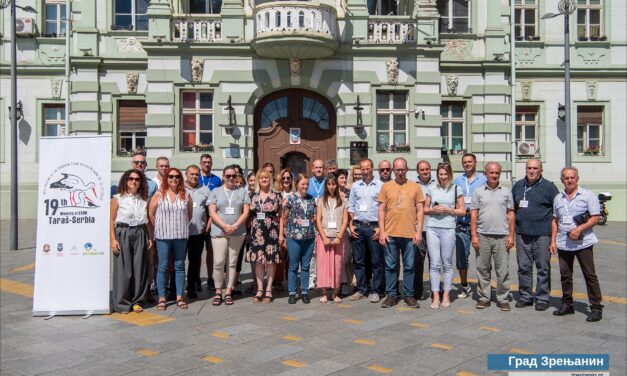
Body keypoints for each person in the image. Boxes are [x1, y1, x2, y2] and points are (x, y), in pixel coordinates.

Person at [550, 167, 603, 322]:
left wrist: (580, 228)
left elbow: (596, 217)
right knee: (565, 275)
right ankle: (567, 304)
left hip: (583, 242)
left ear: (577, 178)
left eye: (572, 177)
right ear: (562, 180)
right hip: (564, 242)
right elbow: (555, 220)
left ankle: (596, 307)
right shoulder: (558, 198)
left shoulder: (587, 195)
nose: (569, 180)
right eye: (566, 178)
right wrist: (553, 240)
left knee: (589, 274)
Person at [511, 159, 559, 311]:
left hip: (542, 234)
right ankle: (525, 296)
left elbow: (557, 211)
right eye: (529, 168)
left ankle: (542, 298)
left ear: (541, 170)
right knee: (524, 267)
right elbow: (512, 208)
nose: (531, 171)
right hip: (522, 233)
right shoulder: (518, 186)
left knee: (542, 267)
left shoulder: (549, 187)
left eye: (535, 168)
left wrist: (554, 238)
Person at [378, 157, 424, 309]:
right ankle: (391, 295)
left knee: (409, 266)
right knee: (391, 266)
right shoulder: (386, 187)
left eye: (402, 169)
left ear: (407, 169)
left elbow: (420, 211)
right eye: (397, 169)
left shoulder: (415, 187)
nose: (400, 172)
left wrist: (419, 232)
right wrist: (382, 232)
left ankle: (409, 295)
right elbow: (381, 210)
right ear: (393, 170)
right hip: (390, 233)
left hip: (409, 234)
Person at [470, 162, 515, 311]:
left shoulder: (507, 191)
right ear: (486, 174)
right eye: (491, 173)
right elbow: (474, 214)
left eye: (497, 173)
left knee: (502, 270)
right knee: (482, 268)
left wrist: (511, 235)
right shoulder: (478, 191)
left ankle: (502, 298)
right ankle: (484, 298)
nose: (494, 175)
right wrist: (474, 235)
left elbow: (510, 213)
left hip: (502, 236)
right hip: (483, 235)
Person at [149, 167, 192, 311]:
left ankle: (179, 296)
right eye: (171, 176)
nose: (174, 179)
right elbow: (151, 213)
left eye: (177, 176)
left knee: (179, 266)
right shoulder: (159, 194)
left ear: (181, 179)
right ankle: (162, 297)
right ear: (166, 179)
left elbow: (189, 215)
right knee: (163, 266)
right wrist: (160, 225)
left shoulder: (185, 195)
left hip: (180, 235)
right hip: (163, 236)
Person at [423, 162, 465, 309]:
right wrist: (433, 209)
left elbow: (463, 211)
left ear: (449, 174)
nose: (443, 177)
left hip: (448, 228)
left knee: (447, 262)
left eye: (445, 174)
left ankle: (446, 296)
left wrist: (448, 210)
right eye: (440, 174)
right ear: (438, 175)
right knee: (434, 263)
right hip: (433, 228)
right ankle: (435, 297)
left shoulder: (456, 189)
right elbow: (424, 209)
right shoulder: (431, 188)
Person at [110, 169, 152, 313]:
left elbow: (147, 222)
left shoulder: (143, 200)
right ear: (126, 181)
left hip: (140, 232)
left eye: (137, 179)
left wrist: (150, 237)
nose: (134, 181)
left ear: (141, 183)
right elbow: (111, 220)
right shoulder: (117, 199)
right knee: (124, 270)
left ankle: (137, 301)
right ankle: (122, 303)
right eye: (131, 179)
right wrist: (113, 239)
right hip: (123, 232)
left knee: (139, 268)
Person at [208, 165, 251, 306]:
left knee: (232, 262)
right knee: (219, 262)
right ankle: (218, 291)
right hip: (219, 231)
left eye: (233, 176)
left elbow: (246, 212)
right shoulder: (215, 191)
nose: (231, 178)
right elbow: (212, 212)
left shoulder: (242, 192)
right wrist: (225, 226)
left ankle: (228, 291)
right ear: (223, 177)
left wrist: (235, 226)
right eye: (228, 176)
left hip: (237, 232)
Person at [347, 159, 385, 303]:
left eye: (367, 168)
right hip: (358, 227)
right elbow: (351, 207)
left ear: (372, 169)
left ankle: (376, 290)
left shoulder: (381, 186)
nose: (365, 171)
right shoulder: (356, 186)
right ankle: (361, 289)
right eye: (362, 169)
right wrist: (351, 224)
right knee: (359, 261)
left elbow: (384, 208)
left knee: (376, 261)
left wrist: (381, 227)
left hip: (374, 227)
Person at [453, 153, 487, 298]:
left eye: (470, 161)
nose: (467, 164)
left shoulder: (484, 179)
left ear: (475, 163)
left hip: (479, 224)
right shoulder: (458, 180)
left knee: (482, 258)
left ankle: (483, 287)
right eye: (465, 162)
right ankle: (464, 285)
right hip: (462, 224)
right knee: (461, 257)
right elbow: (453, 198)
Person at [279, 174, 317, 304]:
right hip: (294, 237)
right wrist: (284, 231)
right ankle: (292, 292)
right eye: (303, 184)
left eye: (307, 184)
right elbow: (284, 217)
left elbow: (313, 217)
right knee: (294, 266)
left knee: (306, 266)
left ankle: (305, 292)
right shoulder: (290, 199)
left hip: (309, 237)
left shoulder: (311, 199)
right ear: (297, 185)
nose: (305, 186)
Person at [247, 169, 282, 303]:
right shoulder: (252, 195)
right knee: (259, 261)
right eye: (261, 178)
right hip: (256, 232)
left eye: (266, 177)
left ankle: (269, 289)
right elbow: (248, 214)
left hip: (272, 231)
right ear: (258, 180)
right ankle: (260, 289)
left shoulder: (277, 195)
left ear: (270, 179)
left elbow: (281, 216)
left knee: (270, 260)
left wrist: (280, 234)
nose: (264, 180)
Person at [315, 174, 348, 303]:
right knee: (323, 265)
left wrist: (339, 236)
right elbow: (318, 220)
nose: (331, 187)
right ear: (326, 186)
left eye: (333, 184)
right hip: (324, 237)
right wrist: (323, 236)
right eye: (329, 184)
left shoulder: (343, 201)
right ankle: (324, 292)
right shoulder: (321, 200)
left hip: (338, 237)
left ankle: (335, 293)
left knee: (337, 265)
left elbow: (345, 220)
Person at [184, 165, 211, 300]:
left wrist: (208, 224)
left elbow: (211, 210)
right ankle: (176, 288)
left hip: (198, 232)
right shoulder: (180, 189)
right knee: (179, 261)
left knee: (194, 261)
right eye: (191, 174)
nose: (194, 177)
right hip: (181, 233)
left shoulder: (205, 190)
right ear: (186, 175)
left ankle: (191, 287)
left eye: (196, 174)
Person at [414, 160, 436, 300]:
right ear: (418, 172)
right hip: (419, 229)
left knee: (435, 262)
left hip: (434, 228)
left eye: (427, 169)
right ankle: (418, 290)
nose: (425, 171)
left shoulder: (437, 183)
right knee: (417, 262)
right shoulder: (412, 185)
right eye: (422, 170)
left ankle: (435, 290)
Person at [199, 154, 221, 291]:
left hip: (212, 218)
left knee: (211, 251)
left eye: (209, 162)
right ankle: (195, 278)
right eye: (204, 162)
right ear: (200, 163)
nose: (207, 164)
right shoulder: (196, 178)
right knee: (195, 252)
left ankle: (210, 278)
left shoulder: (217, 180)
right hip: (197, 217)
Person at [273, 168, 294, 289]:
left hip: (292, 228)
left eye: (288, 178)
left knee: (291, 257)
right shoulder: (275, 193)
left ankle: (290, 280)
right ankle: (278, 281)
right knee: (280, 254)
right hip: (278, 228)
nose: (286, 180)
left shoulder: (295, 193)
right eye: (284, 178)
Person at [307, 159, 326, 289]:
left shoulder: (329, 182)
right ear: (312, 169)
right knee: (312, 252)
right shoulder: (307, 183)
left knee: (323, 250)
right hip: (310, 222)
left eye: (321, 167)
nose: (318, 169)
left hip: (325, 222)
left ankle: (323, 277)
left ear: (324, 169)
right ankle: (312, 278)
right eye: (316, 167)